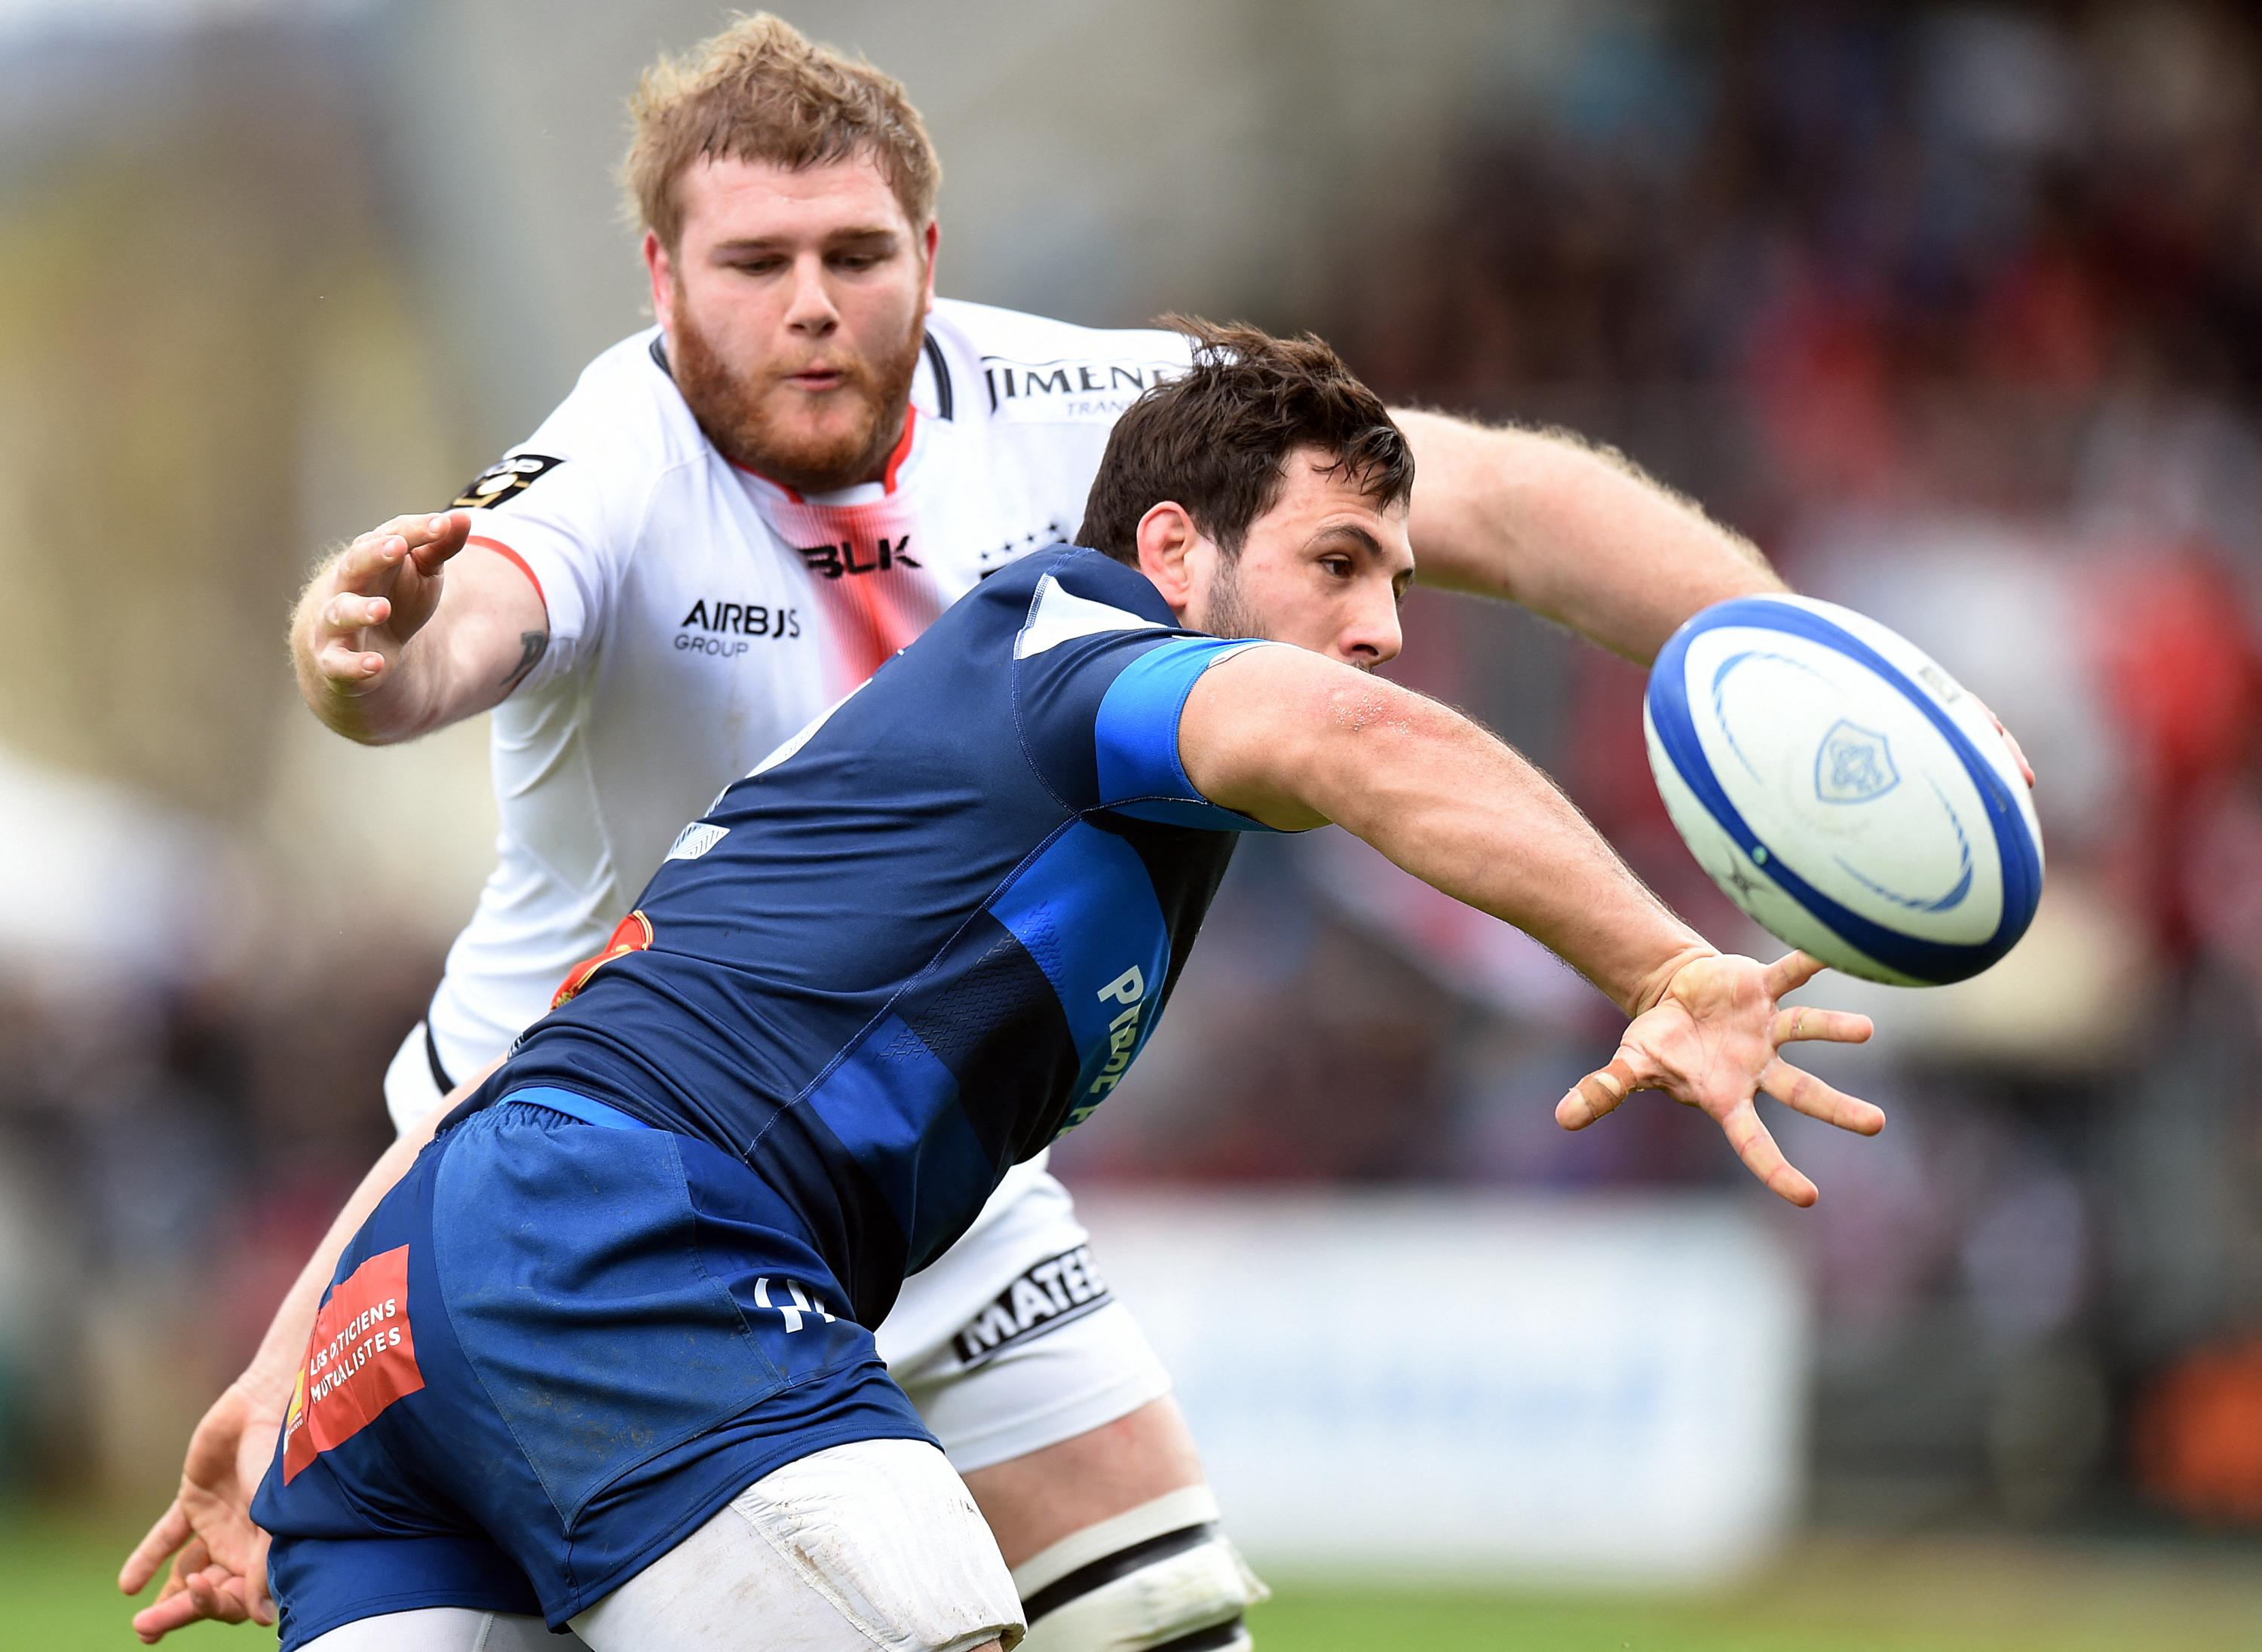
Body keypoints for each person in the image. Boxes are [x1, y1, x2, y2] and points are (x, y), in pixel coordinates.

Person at [121, 15, 1886, 1650]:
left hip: (860, 1168)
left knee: (1169, 1618)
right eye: (753, 266)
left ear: (931, 260)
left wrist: (1832, 680)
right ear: (660, 278)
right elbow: (456, 637)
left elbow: (1492, 490)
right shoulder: (630, 464)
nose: (811, 305)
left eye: (855, 257)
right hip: (598, 1174)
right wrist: (365, 653)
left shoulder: (1104, 423)